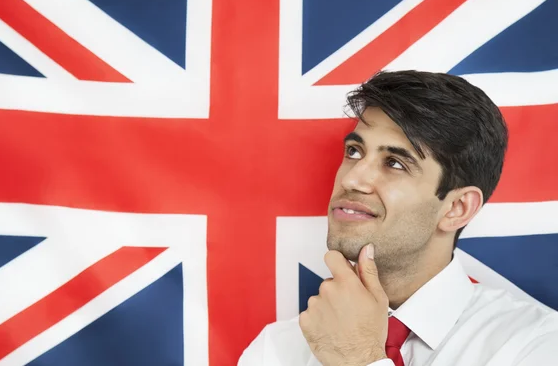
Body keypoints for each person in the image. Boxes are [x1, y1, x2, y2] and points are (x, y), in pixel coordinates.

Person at [237, 70, 558, 366]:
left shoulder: (537, 344)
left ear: (457, 208)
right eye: (354, 152)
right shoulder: (278, 349)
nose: (352, 179)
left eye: (394, 163)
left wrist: (359, 358)